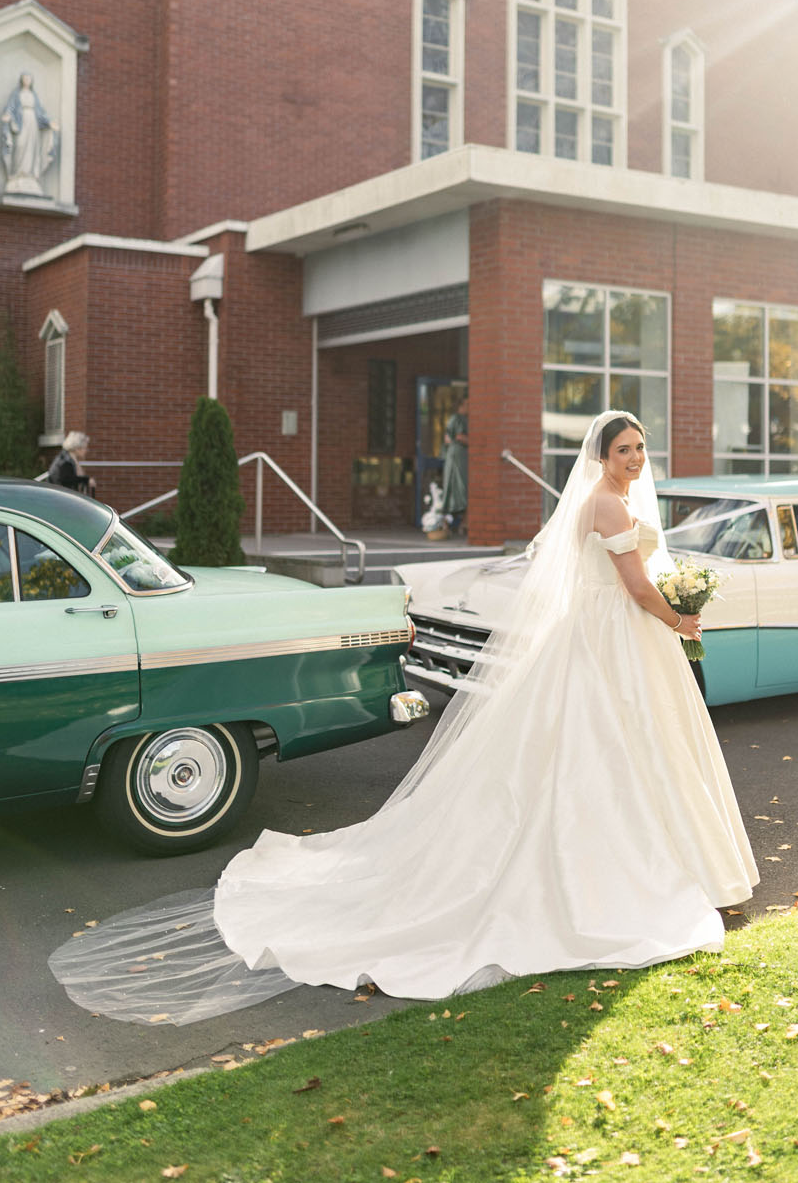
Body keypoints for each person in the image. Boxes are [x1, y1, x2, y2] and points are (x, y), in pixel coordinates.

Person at [49, 410, 757, 1024]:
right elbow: (634, 589)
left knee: (628, 752)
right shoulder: (606, 504)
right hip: (614, 638)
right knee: (604, 751)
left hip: (613, 640)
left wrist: (669, 610)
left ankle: (667, 859)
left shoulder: (612, 501)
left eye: (640, 447)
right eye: (623, 449)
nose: (635, 458)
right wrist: (681, 620)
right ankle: (626, 875)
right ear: (601, 458)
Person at [0, 72, 59, 195]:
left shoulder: (34, 95)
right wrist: (8, 115)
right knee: (20, 146)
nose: (27, 80)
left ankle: (30, 175)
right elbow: (11, 107)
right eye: (25, 78)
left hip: (33, 123)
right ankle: (17, 173)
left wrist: (49, 123)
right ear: (21, 80)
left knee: (32, 148)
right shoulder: (17, 94)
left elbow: (41, 113)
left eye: (29, 78)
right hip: (21, 123)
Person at [440, 393, 469, 535]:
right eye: (467, 405)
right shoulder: (458, 419)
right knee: (460, 488)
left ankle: (452, 524)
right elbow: (458, 436)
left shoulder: (454, 419)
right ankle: (458, 524)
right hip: (458, 458)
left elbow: (447, 438)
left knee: (455, 489)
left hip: (455, 457)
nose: (469, 408)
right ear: (460, 406)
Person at [47, 432, 97, 497]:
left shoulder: (67, 458)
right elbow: (67, 480)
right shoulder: (65, 461)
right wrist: (86, 480)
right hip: (59, 497)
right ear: (77, 448)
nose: (87, 450)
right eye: (85, 448)